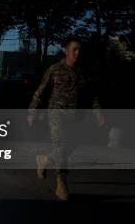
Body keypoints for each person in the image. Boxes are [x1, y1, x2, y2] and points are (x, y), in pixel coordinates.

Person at [27, 36, 103, 201]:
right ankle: (61, 183)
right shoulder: (55, 69)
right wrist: (32, 111)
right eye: (74, 49)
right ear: (66, 51)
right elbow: (41, 91)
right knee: (61, 145)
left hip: (75, 116)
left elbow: (91, 95)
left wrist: (98, 112)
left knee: (71, 146)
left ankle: (44, 158)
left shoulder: (82, 72)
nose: (77, 53)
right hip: (56, 113)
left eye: (79, 50)